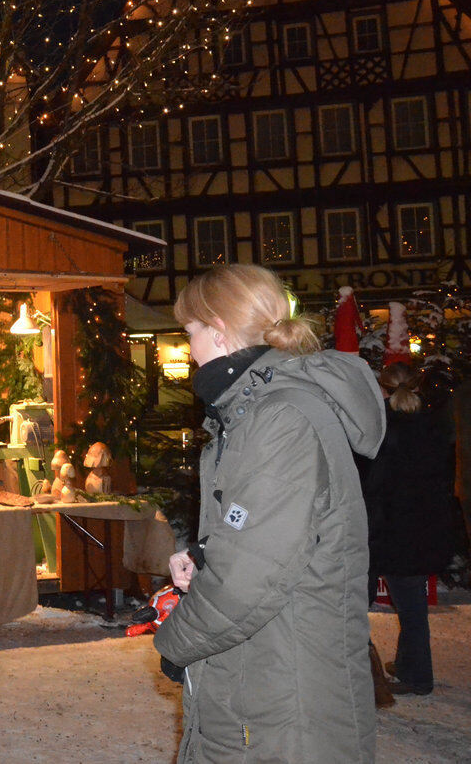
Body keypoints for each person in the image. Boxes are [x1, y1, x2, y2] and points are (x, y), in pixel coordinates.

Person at [153, 264, 385, 763]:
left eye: (190, 332)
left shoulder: (280, 417)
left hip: (284, 686)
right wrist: (206, 553)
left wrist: (177, 642)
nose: (188, 348)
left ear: (218, 330)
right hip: (263, 671)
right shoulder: (252, 410)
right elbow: (261, 528)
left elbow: (251, 575)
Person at [363, 362, 456, 696]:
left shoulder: (379, 429)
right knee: (412, 604)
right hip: (421, 528)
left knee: (399, 607)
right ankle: (408, 666)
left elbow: (372, 484)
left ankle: (416, 676)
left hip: (388, 530)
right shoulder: (434, 425)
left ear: (383, 389)